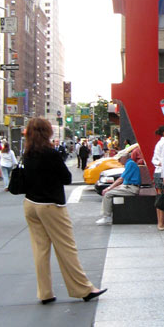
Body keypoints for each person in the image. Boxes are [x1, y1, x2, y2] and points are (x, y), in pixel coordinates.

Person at [22, 117, 106, 304]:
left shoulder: (27, 153)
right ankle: (83, 289)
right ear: (47, 132)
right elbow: (66, 178)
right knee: (66, 248)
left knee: (40, 250)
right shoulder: (50, 153)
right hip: (51, 205)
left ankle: (45, 293)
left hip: (30, 204)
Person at [96, 152, 141, 225]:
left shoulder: (130, 164)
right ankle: (107, 215)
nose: (118, 161)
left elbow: (121, 179)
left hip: (131, 188)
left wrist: (109, 188)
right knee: (110, 192)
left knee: (107, 194)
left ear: (124, 158)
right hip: (129, 186)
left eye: (119, 159)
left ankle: (107, 217)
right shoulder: (129, 164)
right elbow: (125, 180)